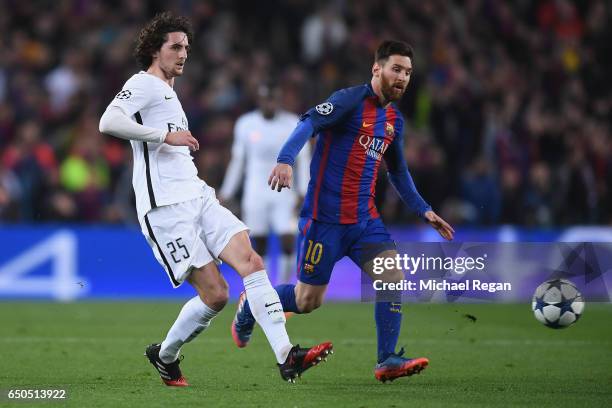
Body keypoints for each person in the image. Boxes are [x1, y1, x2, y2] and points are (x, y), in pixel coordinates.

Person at [98, 12, 332, 387]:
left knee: (252, 262)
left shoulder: (169, 91)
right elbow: (108, 121)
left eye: (187, 47)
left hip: (197, 194)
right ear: (154, 50)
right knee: (217, 294)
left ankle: (288, 356)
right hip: (165, 209)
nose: (183, 54)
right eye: (175, 46)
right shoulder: (143, 83)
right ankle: (165, 355)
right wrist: (164, 136)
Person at [232, 40, 454, 382]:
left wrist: (423, 209)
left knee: (391, 275)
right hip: (325, 222)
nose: (403, 78)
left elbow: (397, 171)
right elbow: (307, 123)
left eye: (408, 72)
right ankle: (251, 303)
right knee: (307, 301)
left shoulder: (394, 119)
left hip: (365, 222)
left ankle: (387, 360)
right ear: (376, 69)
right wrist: (285, 160)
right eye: (396, 69)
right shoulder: (349, 101)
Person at [219, 82, 310, 284]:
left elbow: (303, 160)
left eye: (274, 99)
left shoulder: (292, 122)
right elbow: (238, 161)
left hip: (285, 192)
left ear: (279, 100)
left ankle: (285, 286)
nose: (270, 103)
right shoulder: (245, 124)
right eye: (266, 99)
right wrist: (226, 192)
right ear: (259, 100)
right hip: (256, 192)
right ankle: (266, 288)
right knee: (259, 242)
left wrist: (304, 191)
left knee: (288, 238)